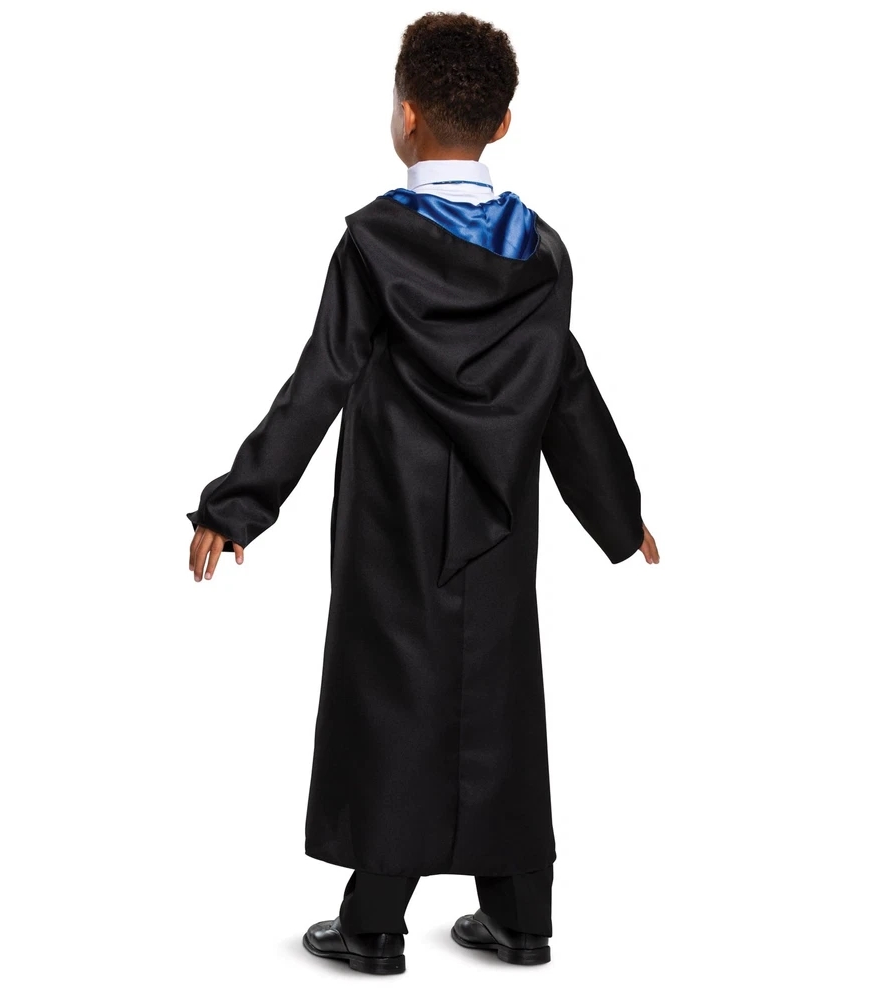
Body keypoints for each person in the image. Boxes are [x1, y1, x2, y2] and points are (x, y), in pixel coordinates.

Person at [186, 12, 660, 976]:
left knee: (392, 701)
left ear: (405, 114)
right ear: (504, 123)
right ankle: (522, 918)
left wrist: (236, 506)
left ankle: (372, 926)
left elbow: (321, 378)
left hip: (394, 521)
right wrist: (620, 512)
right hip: (497, 519)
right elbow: (565, 387)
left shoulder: (375, 244)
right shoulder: (542, 252)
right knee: (501, 702)